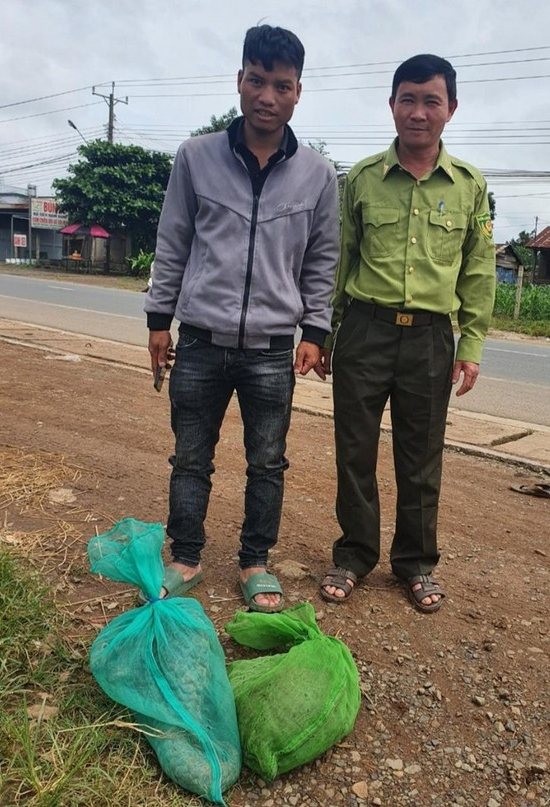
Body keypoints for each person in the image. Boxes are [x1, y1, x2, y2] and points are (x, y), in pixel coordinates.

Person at [144, 24, 339, 612]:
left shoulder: (318, 174)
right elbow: (173, 241)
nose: (267, 96)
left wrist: (315, 330)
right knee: (190, 457)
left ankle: (255, 562)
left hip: (272, 350)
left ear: (298, 92)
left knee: (267, 462)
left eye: (281, 86)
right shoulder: (196, 157)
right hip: (199, 342)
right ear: (239, 80)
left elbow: (322, 259)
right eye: (257, 81)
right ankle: (185, 557)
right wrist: (158, 319)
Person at [320, 54, 495, 613]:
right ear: (392, 105)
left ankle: (416, 563)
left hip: (430, 340)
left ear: (451, 109)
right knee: (355, 450)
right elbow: (340, 260)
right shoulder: (361, 180)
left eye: (431, 101)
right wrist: (324, 332)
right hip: (364, 331)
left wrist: (470, 344)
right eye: (408, 100)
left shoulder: (470, 186)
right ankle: (354, 555)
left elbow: (478, 269)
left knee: (421, 458)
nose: (418, 112)